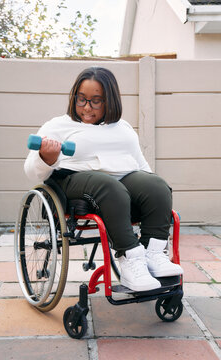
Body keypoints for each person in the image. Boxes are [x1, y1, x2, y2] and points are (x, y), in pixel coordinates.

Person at [24, 66, 183, 292]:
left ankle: (153, 254)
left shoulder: (123, 128)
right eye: (82, 99)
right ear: (74, 98)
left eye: (96, 101)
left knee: (157, 186)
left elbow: (141, 166)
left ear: (110, 101)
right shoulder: (58, 126)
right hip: (73, 181)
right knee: (110, 187)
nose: (87, 107)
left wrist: (152, 191)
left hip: (120, 182)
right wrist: (46, 157)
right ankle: (130, 260)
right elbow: (32, 172)